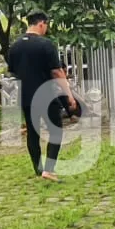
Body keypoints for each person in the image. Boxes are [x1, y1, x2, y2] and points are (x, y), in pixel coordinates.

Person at [6, 11, 76, 181]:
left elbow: (13, 71)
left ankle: (38, 170)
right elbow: (57, 72)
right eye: (46, 25)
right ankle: (49, 169)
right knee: (55, 130)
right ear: (41, 23)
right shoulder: (46, 45)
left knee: (32, 132)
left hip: (25, 95)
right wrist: (69, 95)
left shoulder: (14, 47)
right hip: (46, 93)